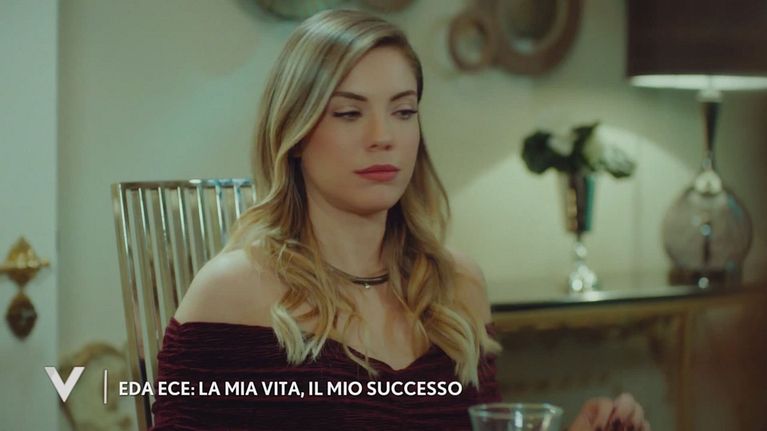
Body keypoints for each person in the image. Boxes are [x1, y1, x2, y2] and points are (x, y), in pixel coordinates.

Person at [151, 9, 649, 431]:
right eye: (349, 113)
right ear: (295, 133)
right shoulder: (234, 291)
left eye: (403, 111)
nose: (382, 136)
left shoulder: (458, 285)